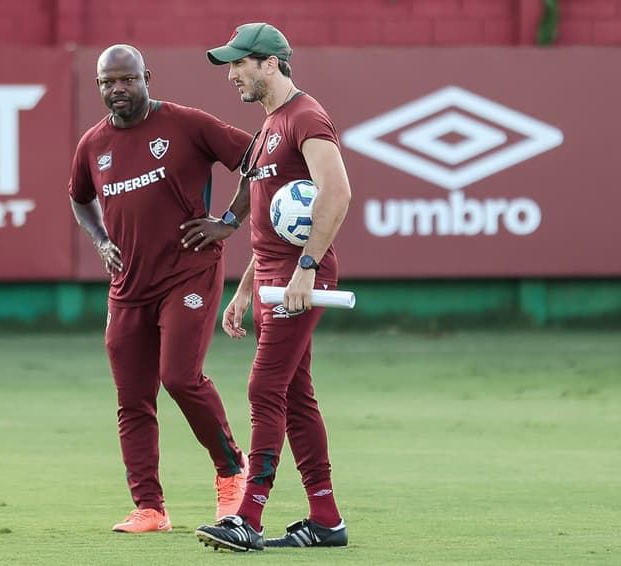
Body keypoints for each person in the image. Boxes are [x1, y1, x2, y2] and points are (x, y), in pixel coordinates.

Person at [69, 44, 254, 534]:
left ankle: (233, 470)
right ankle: (150, 508)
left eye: (126, 79)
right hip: (128, 286)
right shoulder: (93, 145)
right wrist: (100, 239)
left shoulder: (186, 124)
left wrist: (229, 222)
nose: (117, 90)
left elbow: (258, 159)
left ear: (146, 76)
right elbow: (79, 198)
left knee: (179, 377)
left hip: (188, 272)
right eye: (107, 83)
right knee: (133, 397)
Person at [194, 23, 352, 551]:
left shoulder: (305, 116)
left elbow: (338, 191)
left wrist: (306, 267)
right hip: (271, 280)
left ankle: (249, 517)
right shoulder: (267, 127)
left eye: (240, 63)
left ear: (271, 63)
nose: (232, 74)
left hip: (299, 281)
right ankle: (325, 520)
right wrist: (244, 288)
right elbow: (270, 226)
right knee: (296, 397)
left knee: (264, 389)